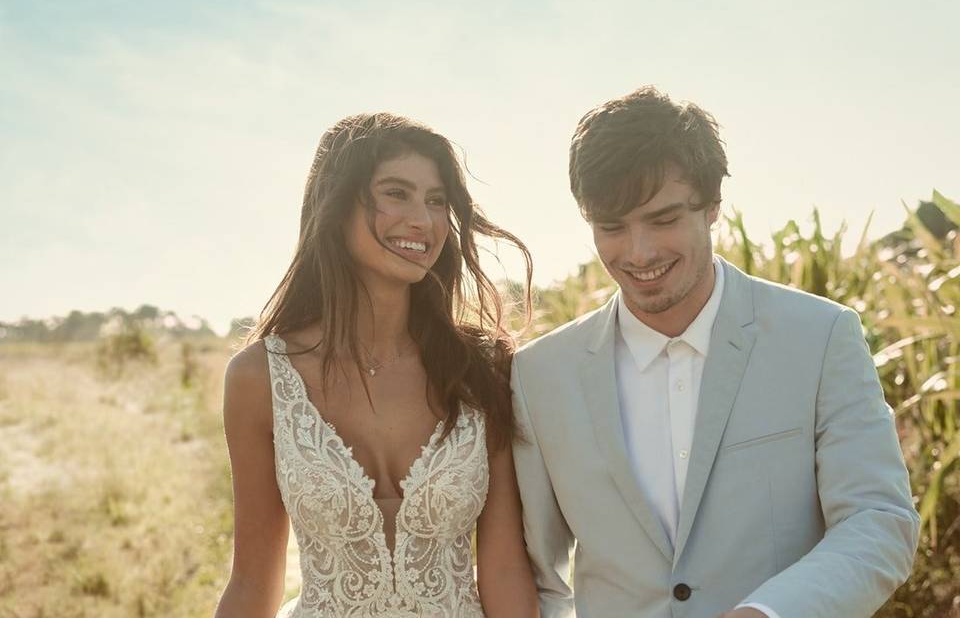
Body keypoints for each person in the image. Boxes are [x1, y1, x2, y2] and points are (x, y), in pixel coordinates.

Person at [511, 86, 920, 617]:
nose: (639, 253)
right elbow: (540, 575)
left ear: (712, 207)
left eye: (662, 220)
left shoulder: (820, 336)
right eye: (611, 227)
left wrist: (769, 614)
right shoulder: (540, 374)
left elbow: (879, 519)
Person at [215, 113, 539, 618]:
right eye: (396, 193)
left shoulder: (482, 368)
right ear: (336, 204)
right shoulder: (261, 378)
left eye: (436, 201)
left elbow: (502, 568)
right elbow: (253, 581)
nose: (423, 220)